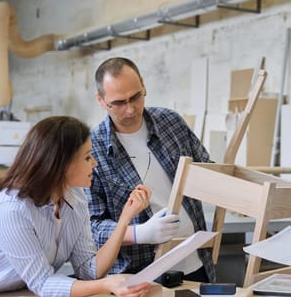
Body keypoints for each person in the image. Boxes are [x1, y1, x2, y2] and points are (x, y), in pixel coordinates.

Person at [0, 116, 151, 297]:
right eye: (87, 157)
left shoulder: (76, 198)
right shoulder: (11, 211)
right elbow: (43, 283)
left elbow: (89, 271)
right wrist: (105, 285)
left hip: (2, 296)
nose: (95, 163)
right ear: (60, 163)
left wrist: (125, 219)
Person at [87, 57, 216, 283]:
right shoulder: (92, 149)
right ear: (100, 100)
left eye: (136, 97)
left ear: (143, 85)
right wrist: (140, 233)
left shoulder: (171, 123)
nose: (130, 109)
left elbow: (207, 170)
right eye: (118, 103)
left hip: (197, 262)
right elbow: (93, 227)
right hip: (141, 275)